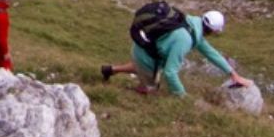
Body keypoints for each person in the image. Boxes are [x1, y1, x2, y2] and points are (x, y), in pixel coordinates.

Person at [100, 9, 252, 97]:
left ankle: (110, 70)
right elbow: (170, 72)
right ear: (212, 30)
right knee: (152, 90)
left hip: (141, 49)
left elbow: (211, 53)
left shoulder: (191, 23)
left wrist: (232, 73)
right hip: (145, 56)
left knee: (143, 66)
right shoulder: (185, 39)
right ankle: (135, 93)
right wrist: (182, 96)